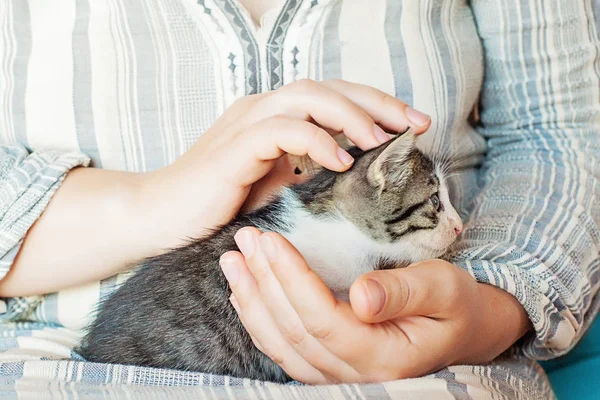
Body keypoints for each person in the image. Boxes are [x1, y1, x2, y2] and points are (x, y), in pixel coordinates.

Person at [0, 0, 598, 397]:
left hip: (439, 359)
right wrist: (149, 201)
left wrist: (490, 309)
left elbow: (560, 132)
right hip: (72, 360)